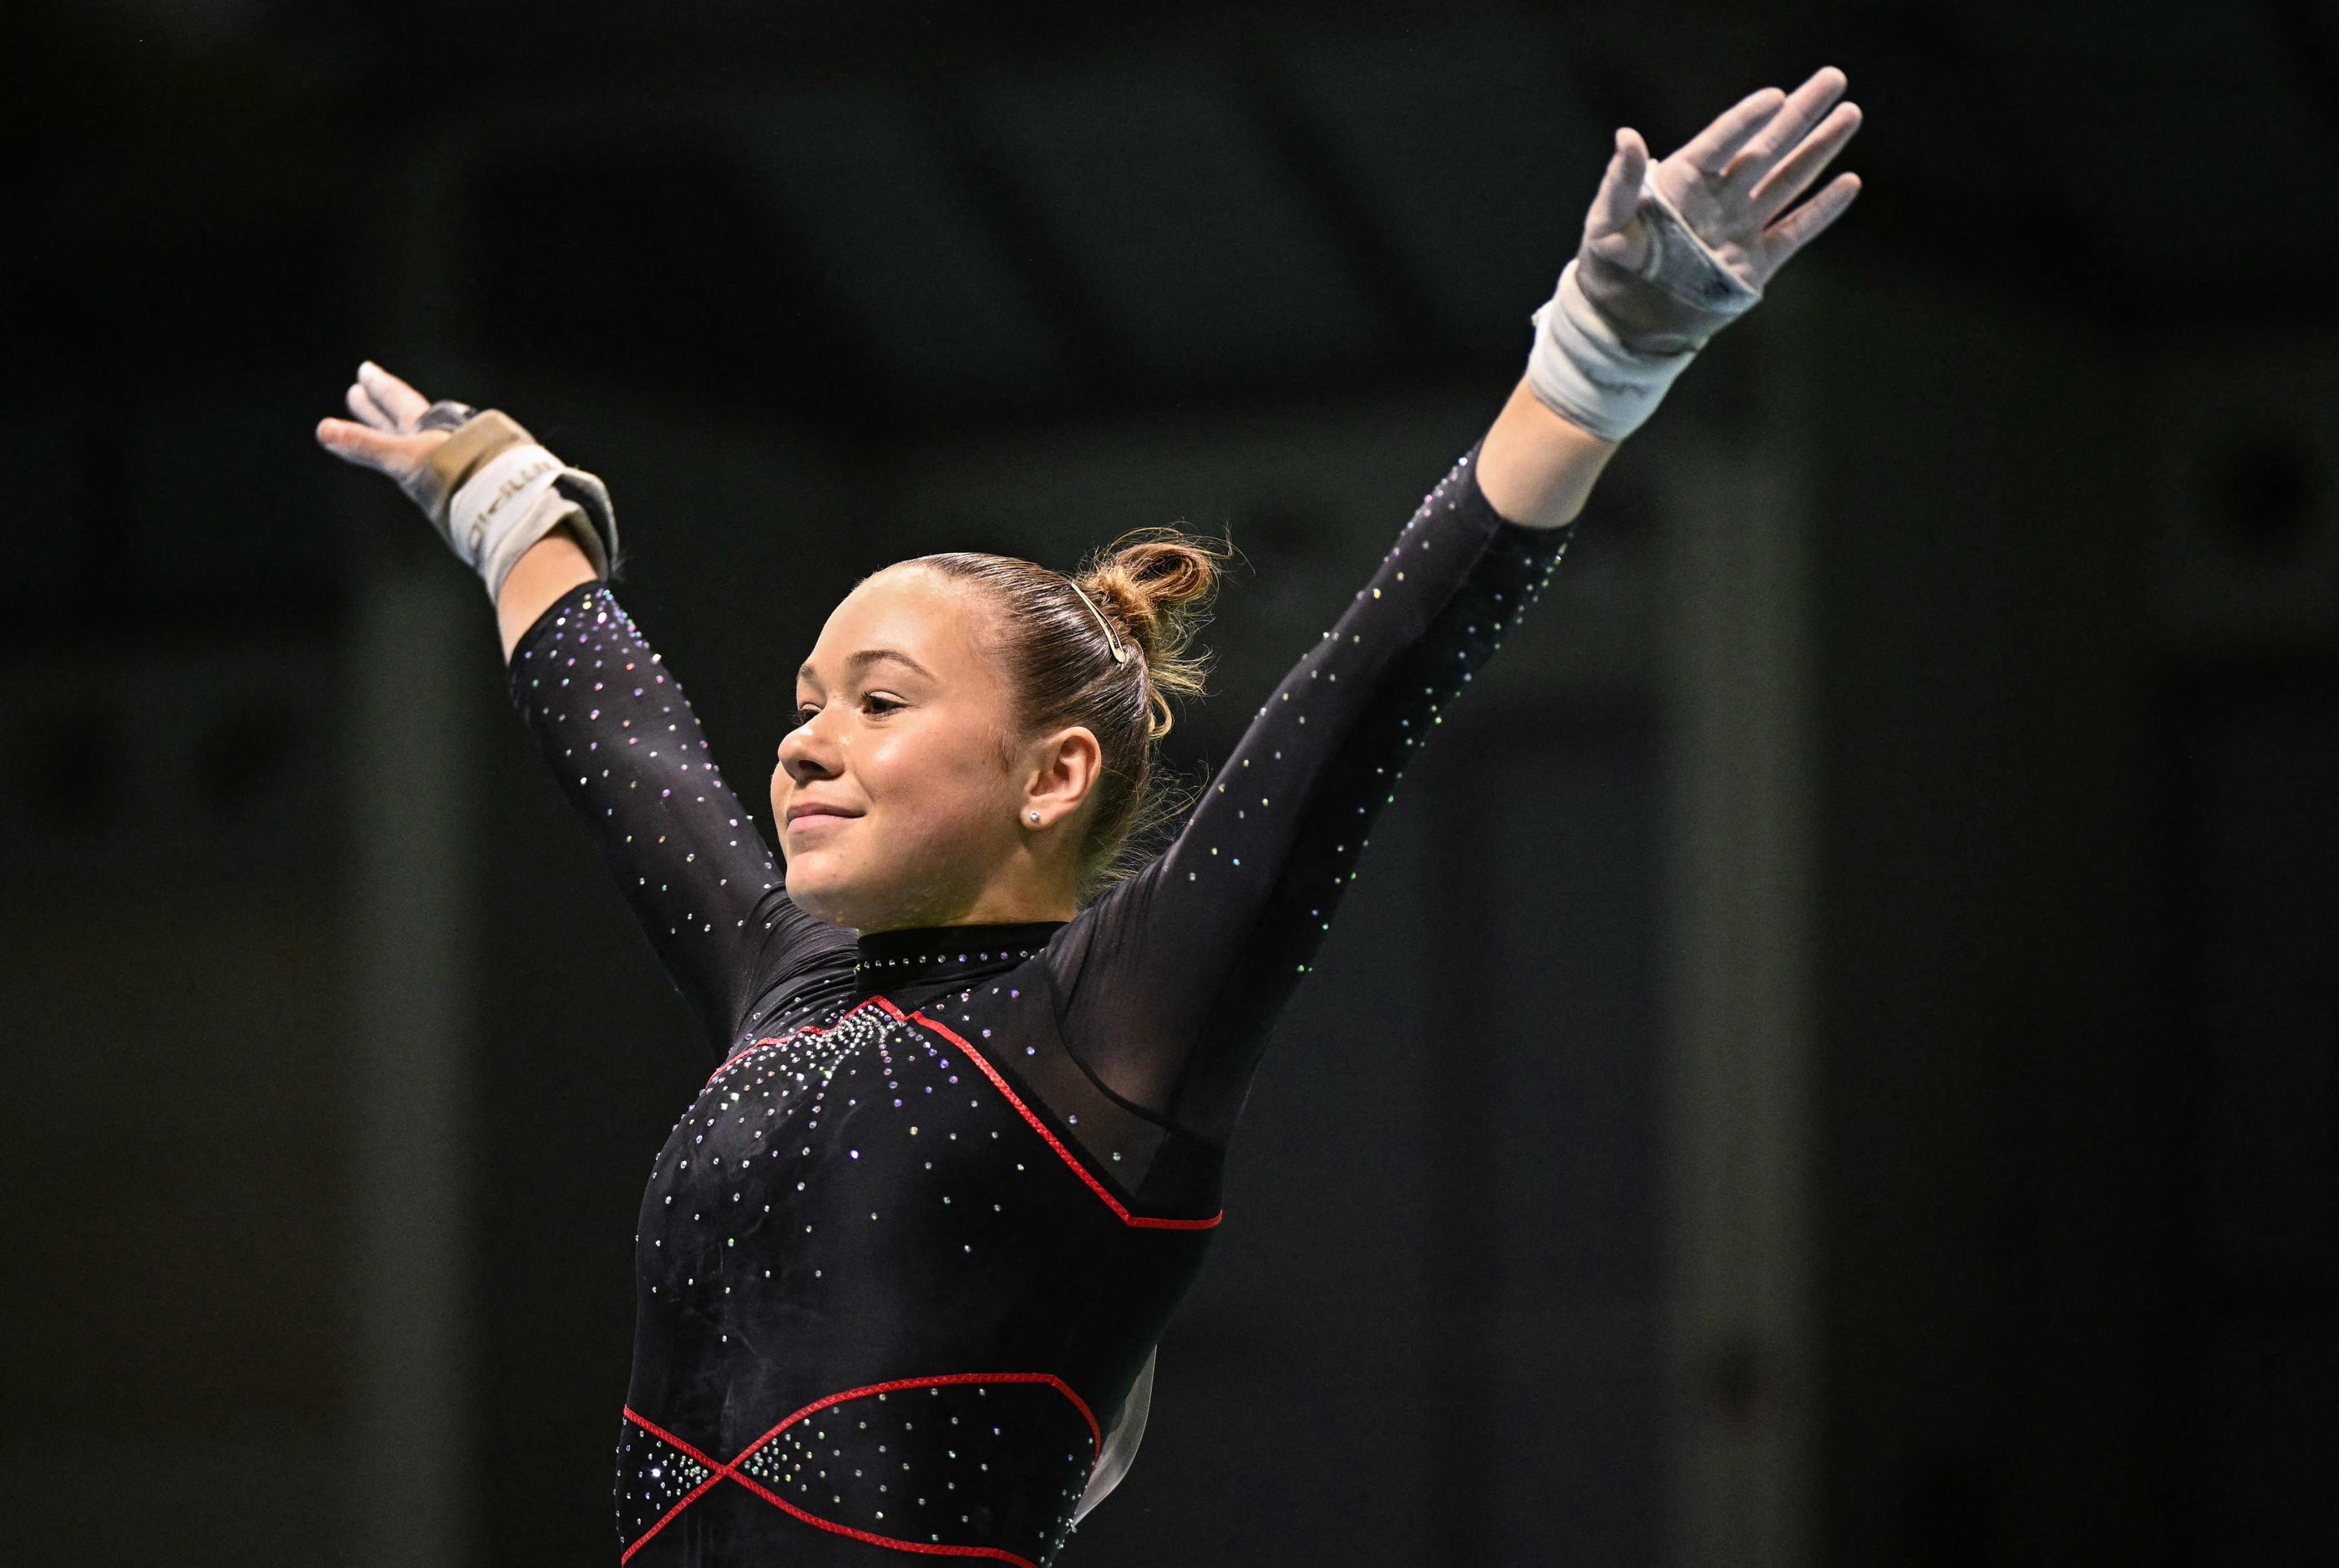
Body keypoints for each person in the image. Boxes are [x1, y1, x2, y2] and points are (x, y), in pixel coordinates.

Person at [317, 67, 1860, 1567]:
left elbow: (1363, 693)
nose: (802, 744)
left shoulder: (1111, 1023)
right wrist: (506, 498)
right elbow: (627, 748)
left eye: (880, 700)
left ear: (1051, 775)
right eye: (803, 701)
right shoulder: (778, 983)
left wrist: (1597, 358)